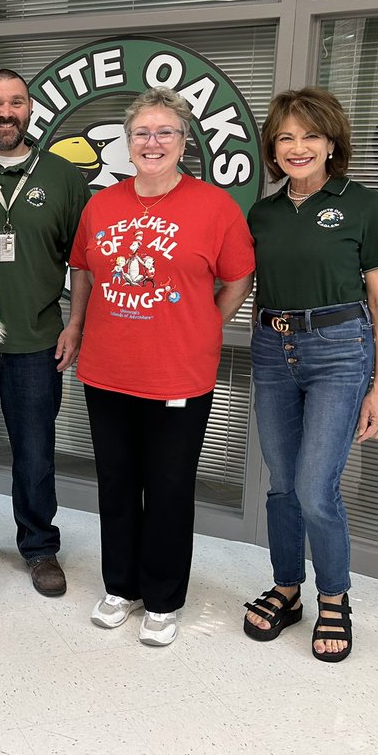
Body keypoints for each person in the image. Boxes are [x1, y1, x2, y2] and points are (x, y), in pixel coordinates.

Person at [70, 87, 254, 646]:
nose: (152, 142)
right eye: (142, 133)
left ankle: (164, 597)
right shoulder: (102, 204)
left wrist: (205, 322)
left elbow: (239, 276)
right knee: (117, 486)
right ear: (128, 144)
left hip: (178, 375)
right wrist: (75, 324)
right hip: (107, 371)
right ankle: (120, 587)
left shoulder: (215, 207)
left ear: (183, 143)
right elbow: (82, 268)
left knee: (169, 488)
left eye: (164, 132)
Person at [241, 87, 378, 663]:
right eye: (286, 137)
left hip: (340, 350)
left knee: (314, 486)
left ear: (332, 143)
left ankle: (334, 594)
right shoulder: (263, 212)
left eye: (310, 135)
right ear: (273, 149)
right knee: (281, 482)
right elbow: (242, 281)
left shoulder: (361, 203)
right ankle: (288, 588)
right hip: (272, 347)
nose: (298, 146)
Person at [0, 69, 91, 597]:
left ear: (30, 110)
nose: (5, 113)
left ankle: (39, 545)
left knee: (34, 450)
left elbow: (83, 260)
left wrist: (75, 323)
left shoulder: (64, 176)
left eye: (15, 103)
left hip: (36, 340)